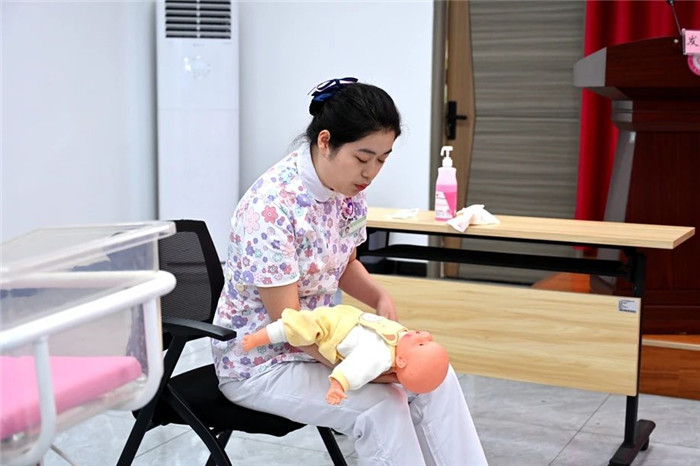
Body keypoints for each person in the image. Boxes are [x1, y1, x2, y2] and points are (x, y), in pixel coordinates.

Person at [212, 77, 488, 465]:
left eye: (382, 159)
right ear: (325, 142)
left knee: (435, 378)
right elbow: (291, 325)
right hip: (263, 363)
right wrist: (361, 369)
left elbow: (344, 264)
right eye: (362, 158)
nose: (370, 172)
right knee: (383, 407)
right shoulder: (271, 207)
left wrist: (380, 297)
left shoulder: (348, 195)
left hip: (325, 345)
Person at [241, 304, 450, 405]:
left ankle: (259, 337)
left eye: (422, 343)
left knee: (296, 326)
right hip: (343, 315)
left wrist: (338, 384)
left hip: (331, 332)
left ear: (401, 361)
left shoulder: (380, 356)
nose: (425, 334)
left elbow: (356, 368)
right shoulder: (400, 339)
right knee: (300, 323)